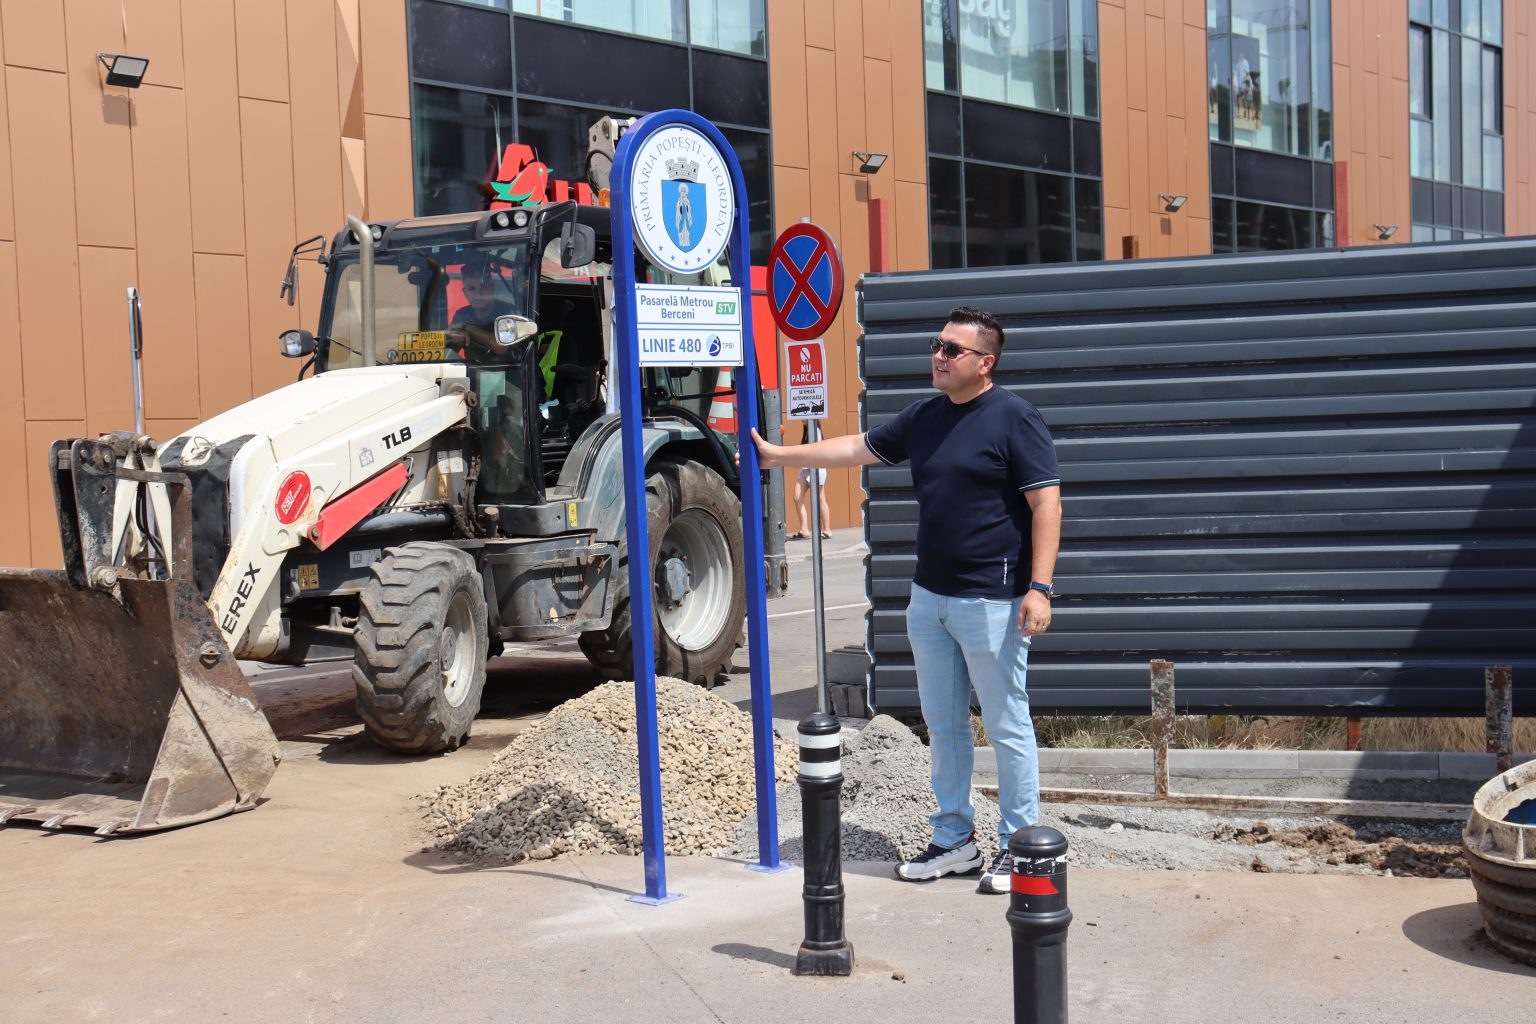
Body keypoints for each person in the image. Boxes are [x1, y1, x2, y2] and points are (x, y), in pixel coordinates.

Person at [750, 306, 1061, 895]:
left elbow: (1047, 503)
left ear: (985, 363)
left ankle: (1020, 846)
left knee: (1006, 726)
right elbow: (857, 447)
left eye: (952, 349)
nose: (938, 356)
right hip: (930, 600)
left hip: (993, 602)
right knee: (943, 727)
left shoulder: (1015, 418)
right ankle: (954, 840)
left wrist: (1039, 588)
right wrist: (779, 457)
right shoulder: (925, 417)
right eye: (936, 345)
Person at [449, 252, 519, 359]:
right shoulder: (462, 315)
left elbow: (500, 347)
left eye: (484, 286)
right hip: (471, 369)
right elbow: (446, 348)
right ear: (465, 293)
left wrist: (470, 330)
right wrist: (455, 336)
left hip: (510, 368)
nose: (478, 294)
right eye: (472, 289)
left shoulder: (508, 312)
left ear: (492, 287)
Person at [789, 421, 833, 540]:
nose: (801, 419)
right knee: (797, 497)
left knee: (820, 498)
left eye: (803, 417)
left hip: (816, 468)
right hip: (805, 469)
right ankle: (804, 530)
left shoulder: (815, 431)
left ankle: (827, 530)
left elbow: (816, 450)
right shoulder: (807, 431)